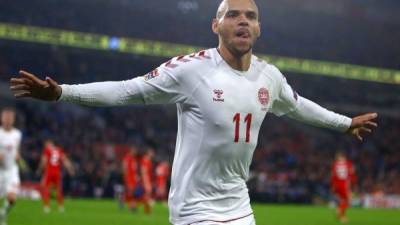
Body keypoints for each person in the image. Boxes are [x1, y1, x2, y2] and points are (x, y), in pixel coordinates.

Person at [9, 0, 378, 224]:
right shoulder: (191, 70)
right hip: (194, 210)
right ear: (216, 25)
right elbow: (128, 91)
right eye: (233, 14)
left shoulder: (270, 77)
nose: (243, 20)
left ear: (260, 27)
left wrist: (345, 123)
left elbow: (299, 107)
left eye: (250, 15)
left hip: (239, 206)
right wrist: (61, 93)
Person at [37, 139, 75, 213]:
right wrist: (70, 169)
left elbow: (44, 161)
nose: (45, 146)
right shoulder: (59, 150)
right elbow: (65, 160)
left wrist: (39, 170)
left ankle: (46, 207)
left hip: (49, 172)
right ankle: (61, 207)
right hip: (57, 173)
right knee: (58, 190)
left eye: (46, 144)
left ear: (50, 143)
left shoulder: (47, 150)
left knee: (46, 189)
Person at [0, 108, 22, 225]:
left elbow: (17, 149)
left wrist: (18, 156)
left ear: (13, 120)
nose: (8, 120)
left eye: (10, 118)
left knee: (12, 199)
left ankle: (3, 213)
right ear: (1, 119)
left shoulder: (17, 134)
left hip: (12, 170)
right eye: (6, 117)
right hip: (0, 171)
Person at [330, 152, 357, 223]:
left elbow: (333, 176)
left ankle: (342, 217)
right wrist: (354, 184)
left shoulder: (335, 164)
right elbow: (352, 174)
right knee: (348, 201)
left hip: (337, 185)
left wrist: (333, 186)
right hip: (344, 184)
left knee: (343, 201)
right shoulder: (348, 164)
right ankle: (339, 212)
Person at [122, 145, 139, 211]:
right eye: (134, 151)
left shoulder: (134, 159)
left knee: (132, 193)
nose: (135, 152)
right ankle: (131, 206)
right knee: (131, 193)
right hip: (129, 178)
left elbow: (134, 169)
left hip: (133, 179)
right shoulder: (128, 157)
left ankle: (131, 205)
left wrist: (136, 176)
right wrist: (126, 177)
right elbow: (124, 167)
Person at [138, 147, 155, 214]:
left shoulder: (149, 160)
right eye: (152, 152)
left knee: (147, 195)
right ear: (148, 152)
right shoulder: (145, 160)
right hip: (146, 180)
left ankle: (146, 210)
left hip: (148, 180)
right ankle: (146, 210)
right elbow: (143, 171)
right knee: (147, 195)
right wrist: (146, 182)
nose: (153, 154)